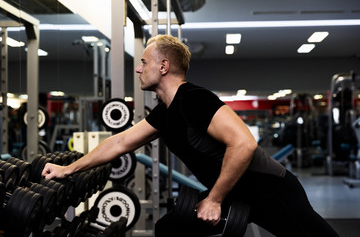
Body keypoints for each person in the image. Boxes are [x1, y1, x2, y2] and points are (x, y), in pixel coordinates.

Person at [42, 34, 339, 237]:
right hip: (239, 194)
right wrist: (68, 168)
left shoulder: (194, 99)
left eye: (144, 62)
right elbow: (120, 142)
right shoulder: (165, 111)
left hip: (272, 190)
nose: (138, 68)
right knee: (170, 229)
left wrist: (215, 198)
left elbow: (244, 143)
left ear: (163, 66)